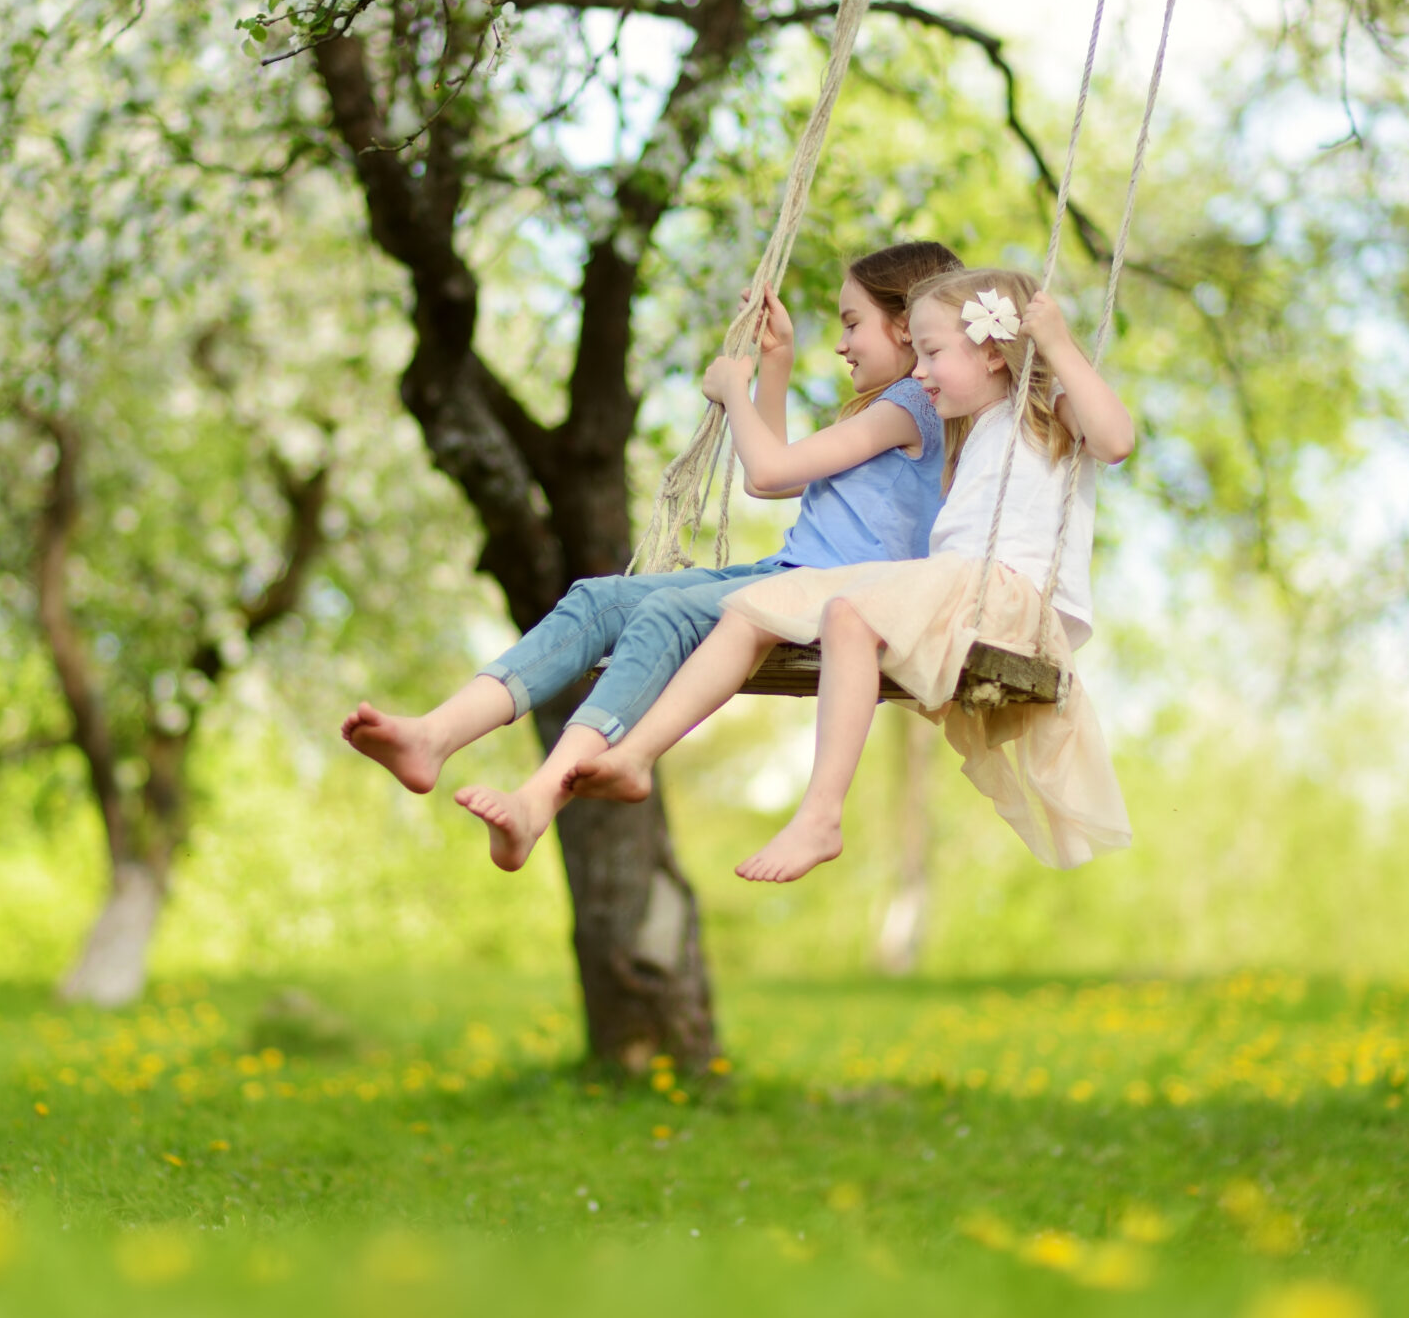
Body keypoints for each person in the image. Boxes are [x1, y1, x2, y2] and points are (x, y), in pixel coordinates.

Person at [341, 241, 965, 870]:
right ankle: (435, 734)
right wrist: (776, 363)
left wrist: (734, 391)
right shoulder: (896, 408)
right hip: (787, 577)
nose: (843, 343)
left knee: (663, 612)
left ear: (908, 327)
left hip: (827, 595)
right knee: (596, 599)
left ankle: (538, 799)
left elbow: (771, 471)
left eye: (852, 322)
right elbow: (771, 476)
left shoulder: (913, 403)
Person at [566, 265, 1135, 880]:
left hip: (1003, 599)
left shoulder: (1048, 411)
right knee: (756, 604)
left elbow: (1117, 439)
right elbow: (782, 474)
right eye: (915, 352)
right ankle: (638, 755)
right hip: (948, 585)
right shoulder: (970, 432)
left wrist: (1056, 346)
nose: (917, 372)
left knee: (850, 613)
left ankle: (820, 816)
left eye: (932, 353)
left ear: (994, 352)